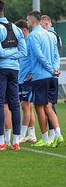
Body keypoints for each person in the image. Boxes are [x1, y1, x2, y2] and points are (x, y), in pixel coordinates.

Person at [0, 0, 26, 150]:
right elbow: (22, 52)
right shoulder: (16, 28)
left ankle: (0, 141)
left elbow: (0, 53)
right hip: (15, 69)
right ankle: (16, 141)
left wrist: (6, 53)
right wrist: (13, 52)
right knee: (15, 104)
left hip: (0, 70)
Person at [27, 11, 63, 147]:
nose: (27, 21)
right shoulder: (50, 35)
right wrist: (55, 69)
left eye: (27, 20)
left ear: (32, 21)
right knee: (49, 106)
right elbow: (56, 55)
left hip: (41, 76)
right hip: (52, 77)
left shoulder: (33, 36)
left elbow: (39, 56)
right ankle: (58, 135)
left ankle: (45, 138)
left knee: (39, 107)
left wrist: (50, 69)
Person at [40, 14, 62, 143]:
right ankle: (54, 133)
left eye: (42, 26)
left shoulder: (50, 35)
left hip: (47, 74)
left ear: (47, 24)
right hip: (53, 72)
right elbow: (56, 56)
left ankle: (53, 133)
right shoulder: (55, 35)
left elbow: (52, 56)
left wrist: (53, 69)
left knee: (48, 106)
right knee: (49, 105)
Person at [15, 19, 37, 143]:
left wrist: (33, 73)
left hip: (28, 79)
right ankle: (32, 134)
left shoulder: (30, 41)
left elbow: (36, 57)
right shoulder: (22, 41)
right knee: (29, 106)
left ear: (24, 30)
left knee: (25, 105)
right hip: (21, 77)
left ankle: (22, 135)